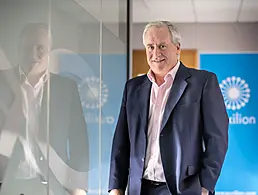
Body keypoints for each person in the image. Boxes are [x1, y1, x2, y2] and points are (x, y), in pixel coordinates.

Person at [108, 20, 229, 195]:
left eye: (162, 46)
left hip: (185, 189)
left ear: (177, 48)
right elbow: (121, 141)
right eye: (150, 47)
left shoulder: (203, 82)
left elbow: (217, 140)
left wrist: (205, 187)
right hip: (140, 189)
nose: (156, 53)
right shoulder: (133, 88)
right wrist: (115, 187)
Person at [0, 23, 89, 195]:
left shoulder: (66, 88)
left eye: (40, 48)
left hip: (52, 186)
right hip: (6, 184)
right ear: (19, 49)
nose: (33, 54)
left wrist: (78, 188)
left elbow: (79, 142)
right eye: (27, 47)